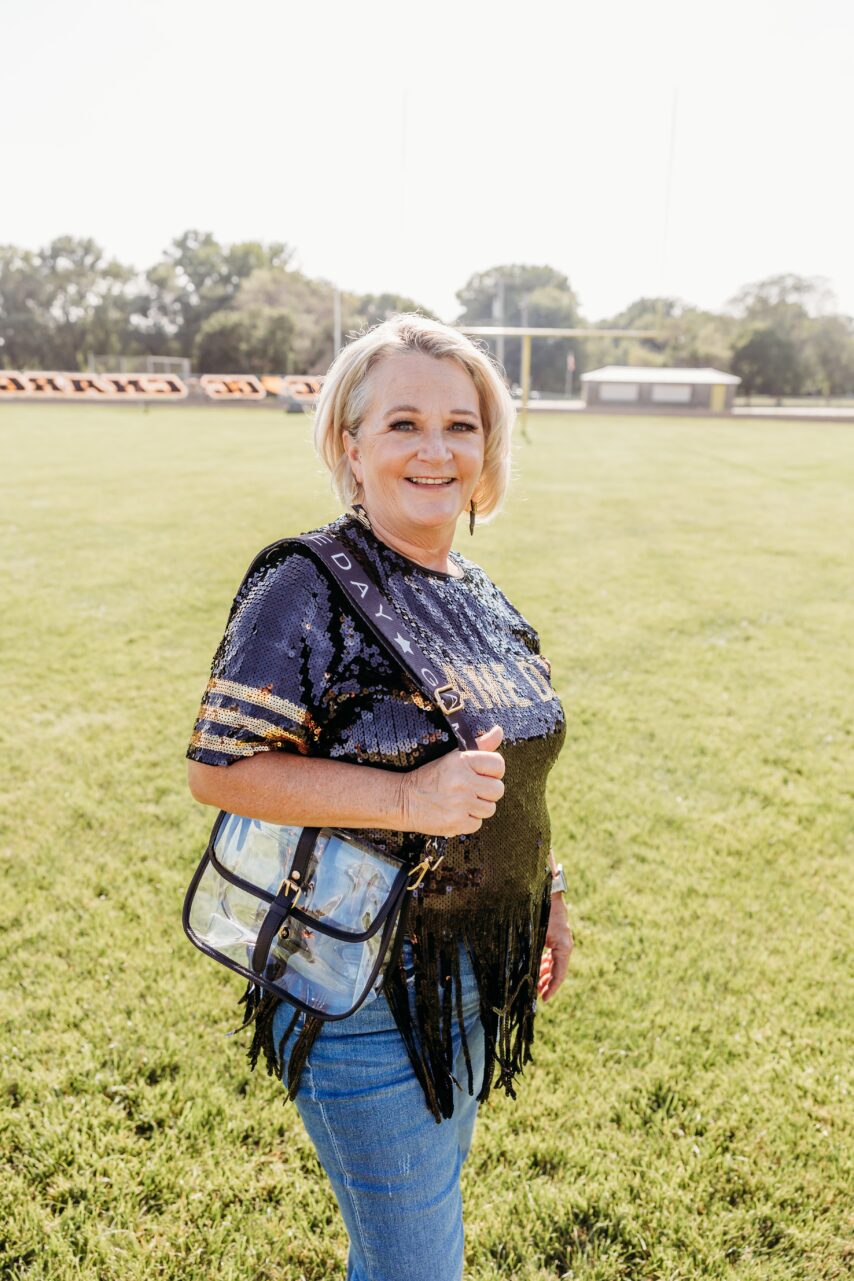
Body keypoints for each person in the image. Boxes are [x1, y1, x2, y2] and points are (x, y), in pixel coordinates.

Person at [186, 314, 573, 1281]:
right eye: (403, 424)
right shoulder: (304, 581)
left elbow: (511, 771)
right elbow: (219, 768)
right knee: (418, 1264)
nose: (436, 449)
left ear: (489, 451)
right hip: (354, 981)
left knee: (408, 1253)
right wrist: (412, 801)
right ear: (349, 445)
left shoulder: (483, 594)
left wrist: (548, 892)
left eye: (462, 425)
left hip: (473, 967)